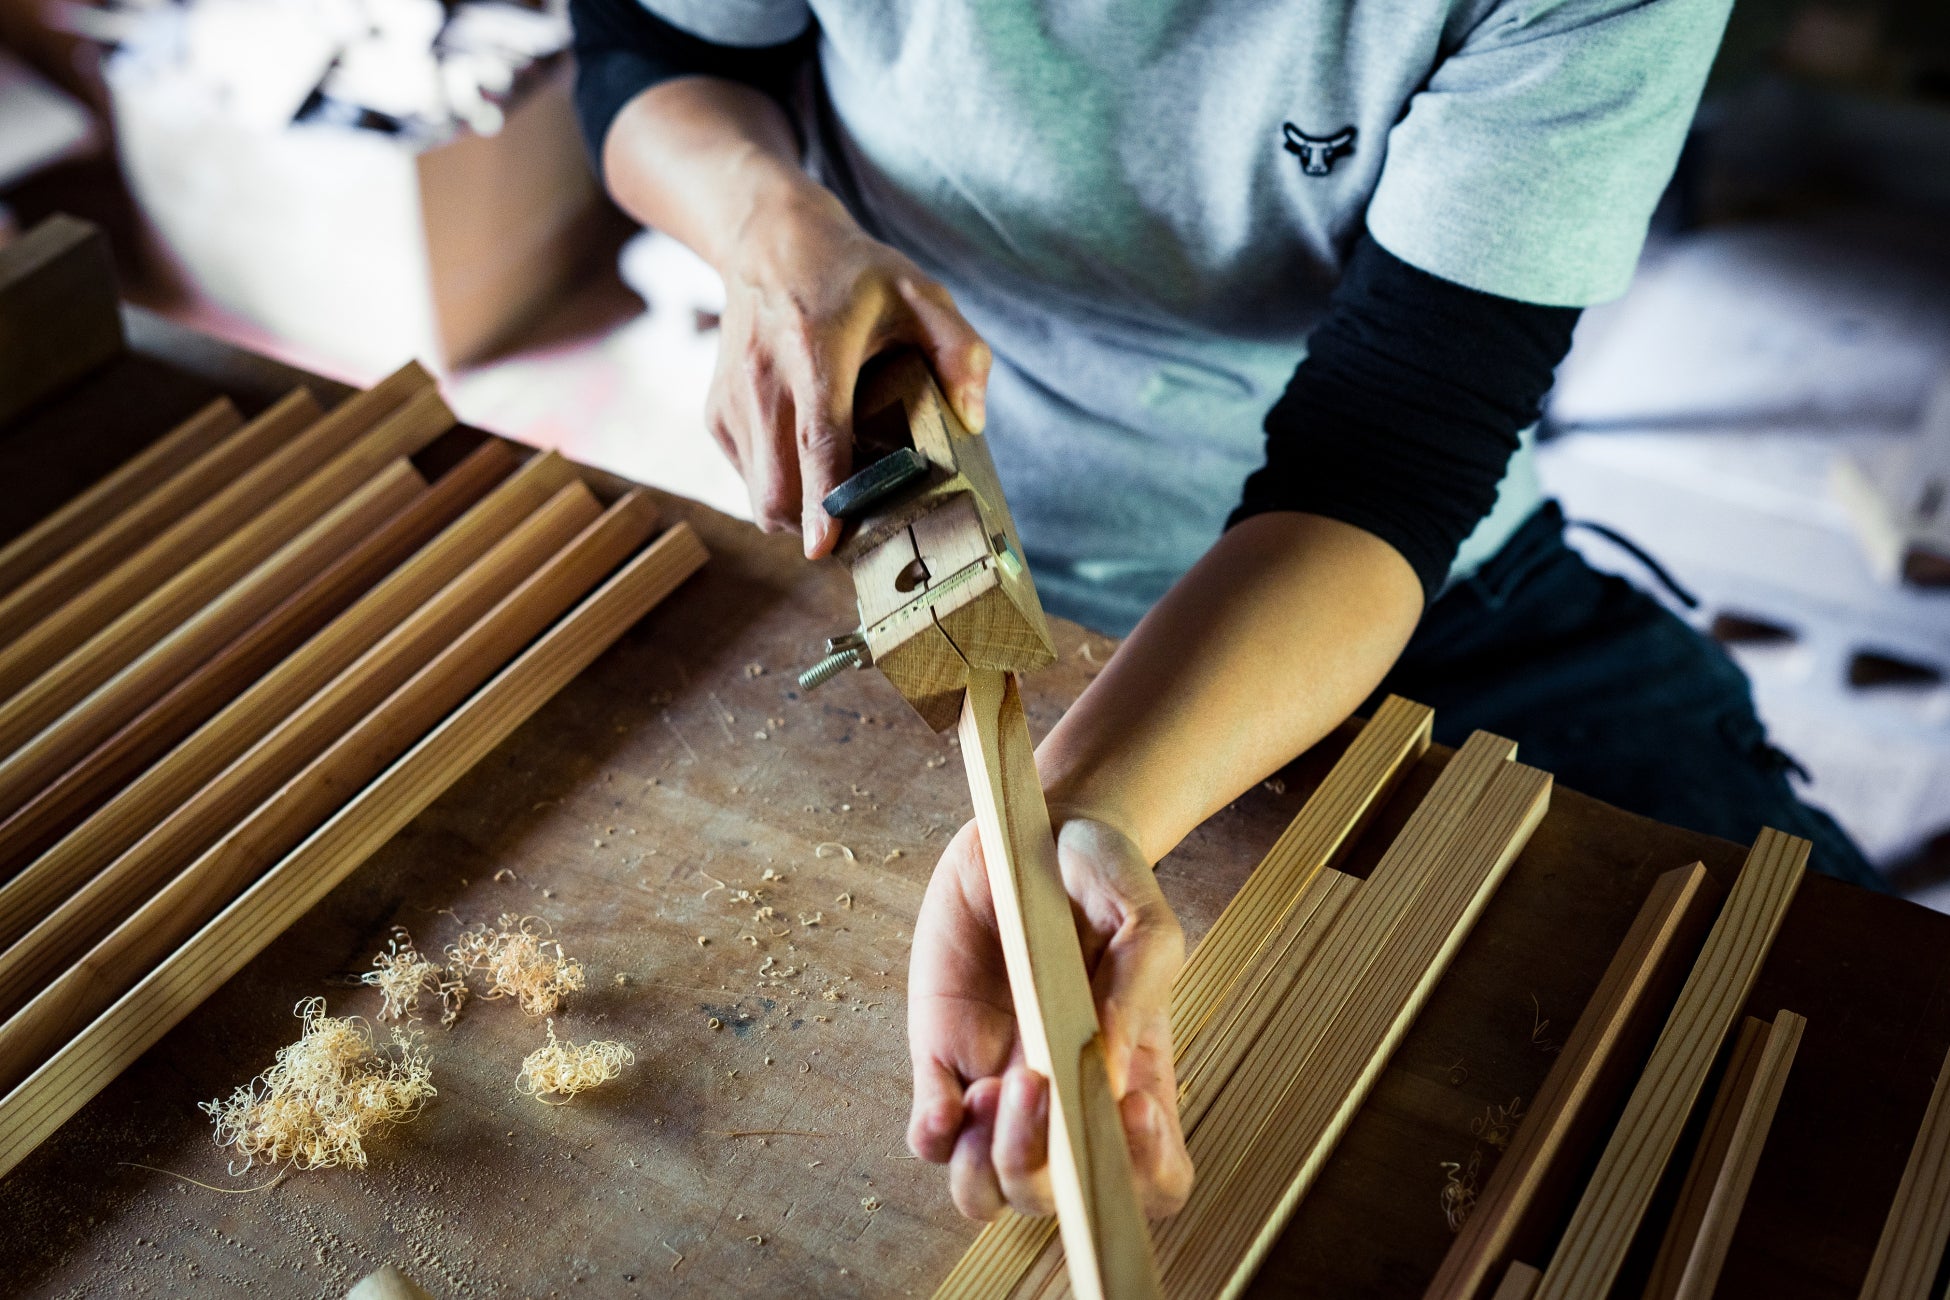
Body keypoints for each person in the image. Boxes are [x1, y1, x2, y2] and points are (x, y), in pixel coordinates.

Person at [569, 0, 1879, 1224]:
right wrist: (766, 224)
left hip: (1405, 585)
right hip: (948, 552)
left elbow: (1389, 459)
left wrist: (1068, 820)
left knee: (1847, 1023)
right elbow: (651, 50)